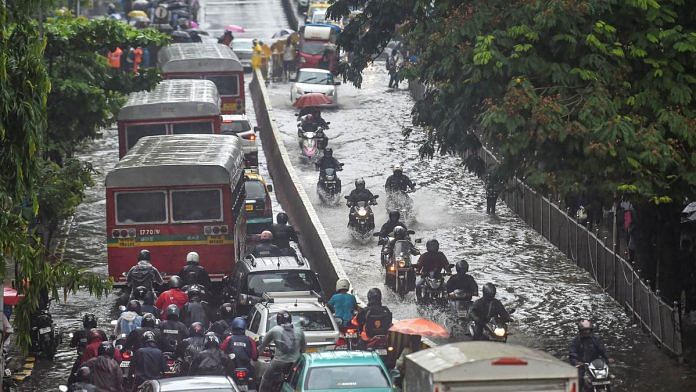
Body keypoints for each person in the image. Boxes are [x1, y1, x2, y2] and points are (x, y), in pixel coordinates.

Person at [258, 311, 306, 392]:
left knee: (266, 378)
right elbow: (303, 348)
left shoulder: (275, 330)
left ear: (278, 320)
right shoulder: (299, 330)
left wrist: (256, 354)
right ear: (290, 319)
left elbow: (263, 345)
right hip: (295, 363)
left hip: (279, 362)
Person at [569, 319, 610, 390]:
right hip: (582, 365)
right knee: (579, 379)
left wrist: (607, 358)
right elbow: (572, 353)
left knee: (607, 378)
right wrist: (576, 362)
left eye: (588, 330)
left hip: (595, 364)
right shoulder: (576, 341)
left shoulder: (596, 339)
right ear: (580, 330)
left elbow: (602, 350)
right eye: (584, 330)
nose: (586, 332)